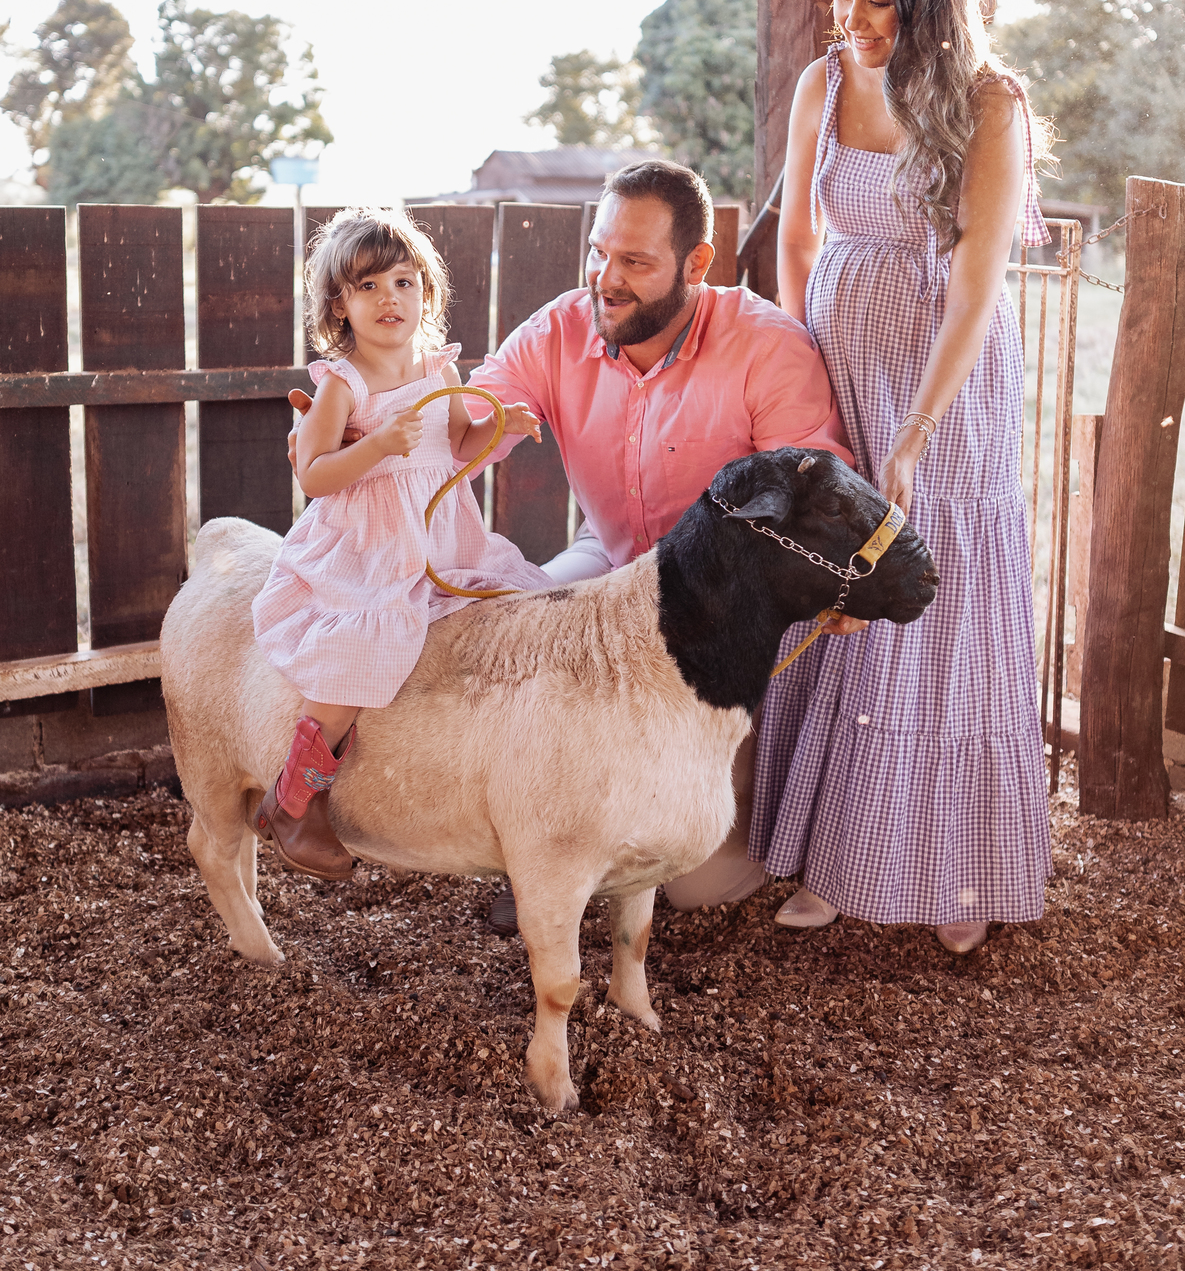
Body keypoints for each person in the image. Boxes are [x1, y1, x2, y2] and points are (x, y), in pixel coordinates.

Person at [749, 0, 1054, 956]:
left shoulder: (990, 104)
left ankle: (959, 866)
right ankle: (839, 852)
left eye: (878, 2)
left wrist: (919, 429)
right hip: (840, 363)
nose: (856, 21)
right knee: (839, 581)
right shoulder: (824, 83)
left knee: (940, 595)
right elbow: (796, 238)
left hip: (945, 386)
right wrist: (797, 376)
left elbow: (975, 284)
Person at [462, 159, 856, 930]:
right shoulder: (559, 328)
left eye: (635, 263)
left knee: (698, 887)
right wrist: (379, 433)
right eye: (599, 252)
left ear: (696, 264)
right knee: (522, 622)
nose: (606, 280)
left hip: (725, 599)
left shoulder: (766, 347)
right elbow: (470, 423)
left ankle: (658, 823)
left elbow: (813, 496)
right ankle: (550, 844)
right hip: (611, 558)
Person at [252, 207, 549, 881]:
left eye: (403, 282)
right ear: (340, 305)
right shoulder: (344, 384)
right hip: (369, 544)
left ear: (426, 292)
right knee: (365, 644)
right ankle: (294, 798)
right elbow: (314, 474)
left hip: (439, 538)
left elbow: (457, 447)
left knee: (520, 599)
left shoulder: (440, 370)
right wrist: (379, 446)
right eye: (369, 286)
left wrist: (499, 427)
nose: (390, 298)